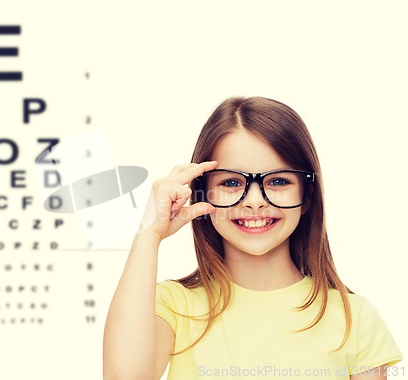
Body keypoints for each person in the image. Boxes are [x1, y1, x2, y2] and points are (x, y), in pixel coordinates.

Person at [102, 97, 403, 380]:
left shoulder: (355, 317)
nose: (255, 201)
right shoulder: (174, 305)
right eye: (232, 182)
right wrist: (149, 234)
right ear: (201, 193)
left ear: (306, 196)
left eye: (278, 181)